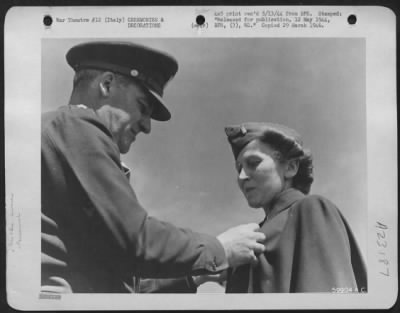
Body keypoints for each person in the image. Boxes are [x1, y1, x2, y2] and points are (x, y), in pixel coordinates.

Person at [41, 41, 266, 293]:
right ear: (106, 84)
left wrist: (196, 277)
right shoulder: (76, 125)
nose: (147, 126)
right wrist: (220, 249)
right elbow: (137, 242)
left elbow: (127, 279)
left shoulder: (64, 136)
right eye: (142, 106)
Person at [140, 122, 368, 293]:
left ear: (290, 167)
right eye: (238, 167)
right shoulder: (251, 239)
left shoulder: (311, 210)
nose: (241, 177)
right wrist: (201, 274)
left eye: (253, 163)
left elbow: (330, 299)